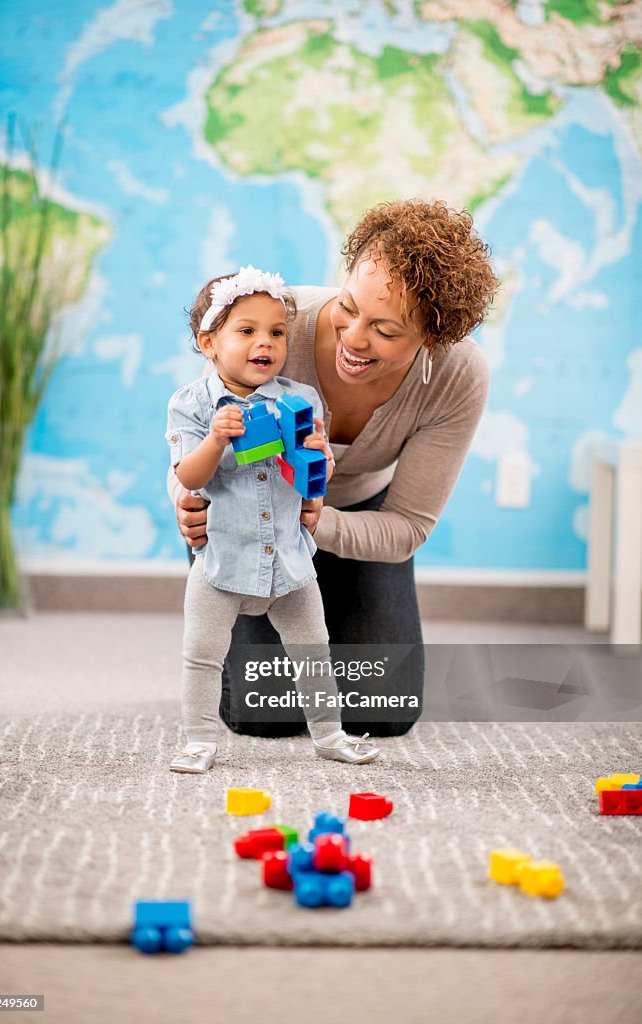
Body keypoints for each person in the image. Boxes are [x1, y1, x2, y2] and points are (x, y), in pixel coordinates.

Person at [168, 199, 498, 739]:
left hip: (353, 517)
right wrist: (183, 501)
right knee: (265, 711)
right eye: (349, 305)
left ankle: (328, 616)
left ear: (433, 340)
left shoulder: (456, 375)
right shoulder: (271, 324)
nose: (354, 337)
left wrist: (317, 524)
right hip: (249, 512)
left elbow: (408, 526)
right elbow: (191, 429)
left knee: (383, 710)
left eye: (387, 331)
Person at [166, 265, 381, 773]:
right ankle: (198, 740)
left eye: (277, 332)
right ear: (209, 343)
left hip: (288, 559)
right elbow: (190, 477)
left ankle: (330, 735)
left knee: (313, 650)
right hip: (222, 561)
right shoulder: (192, 405)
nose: (265, 342)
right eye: (247, 331)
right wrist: (218, 439)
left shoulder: (299, 400)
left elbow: (317, 477)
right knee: (202, 654)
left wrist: (319, 453)